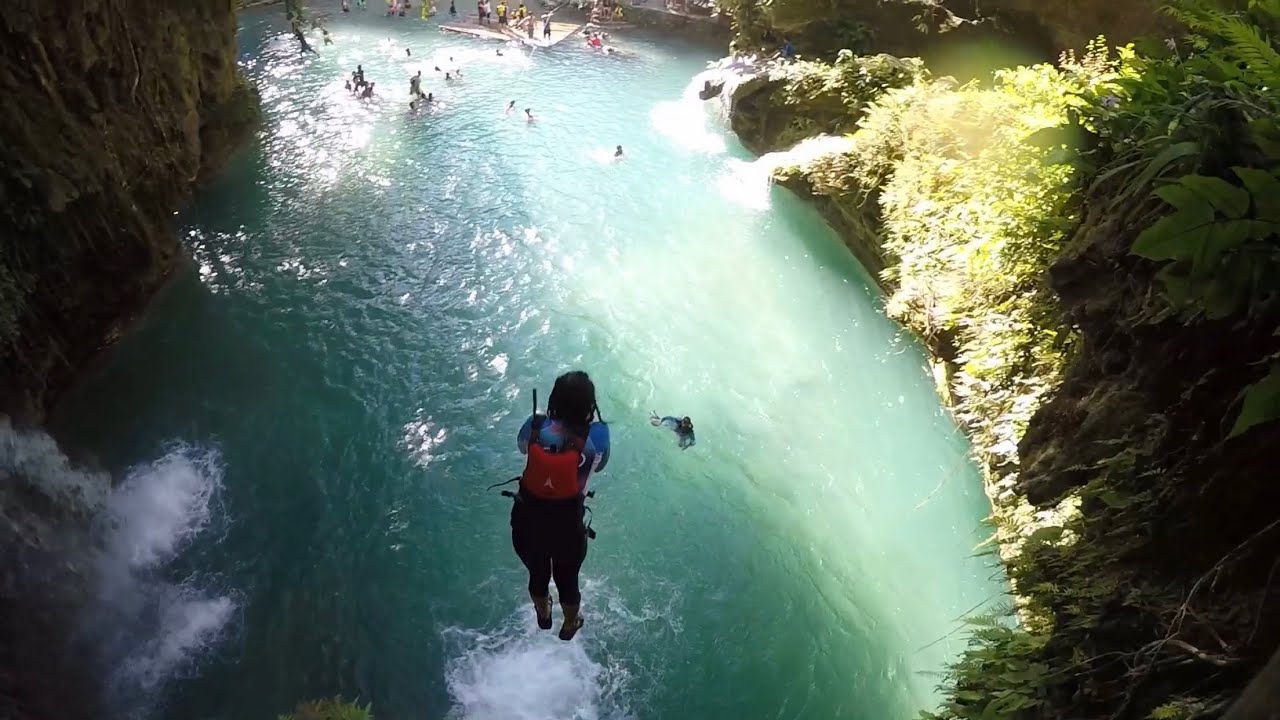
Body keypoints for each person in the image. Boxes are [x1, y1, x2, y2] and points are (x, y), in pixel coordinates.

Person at [510, 372, 611, 641]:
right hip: (567, 524)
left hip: (527, 518)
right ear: (590, 405)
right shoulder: (598, 435)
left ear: (554, 398)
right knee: (568, 580)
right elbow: (600, 465)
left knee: (537, 573)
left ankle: (543, 615)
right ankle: (569, 623)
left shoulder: (535, 425)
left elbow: (522, 448)